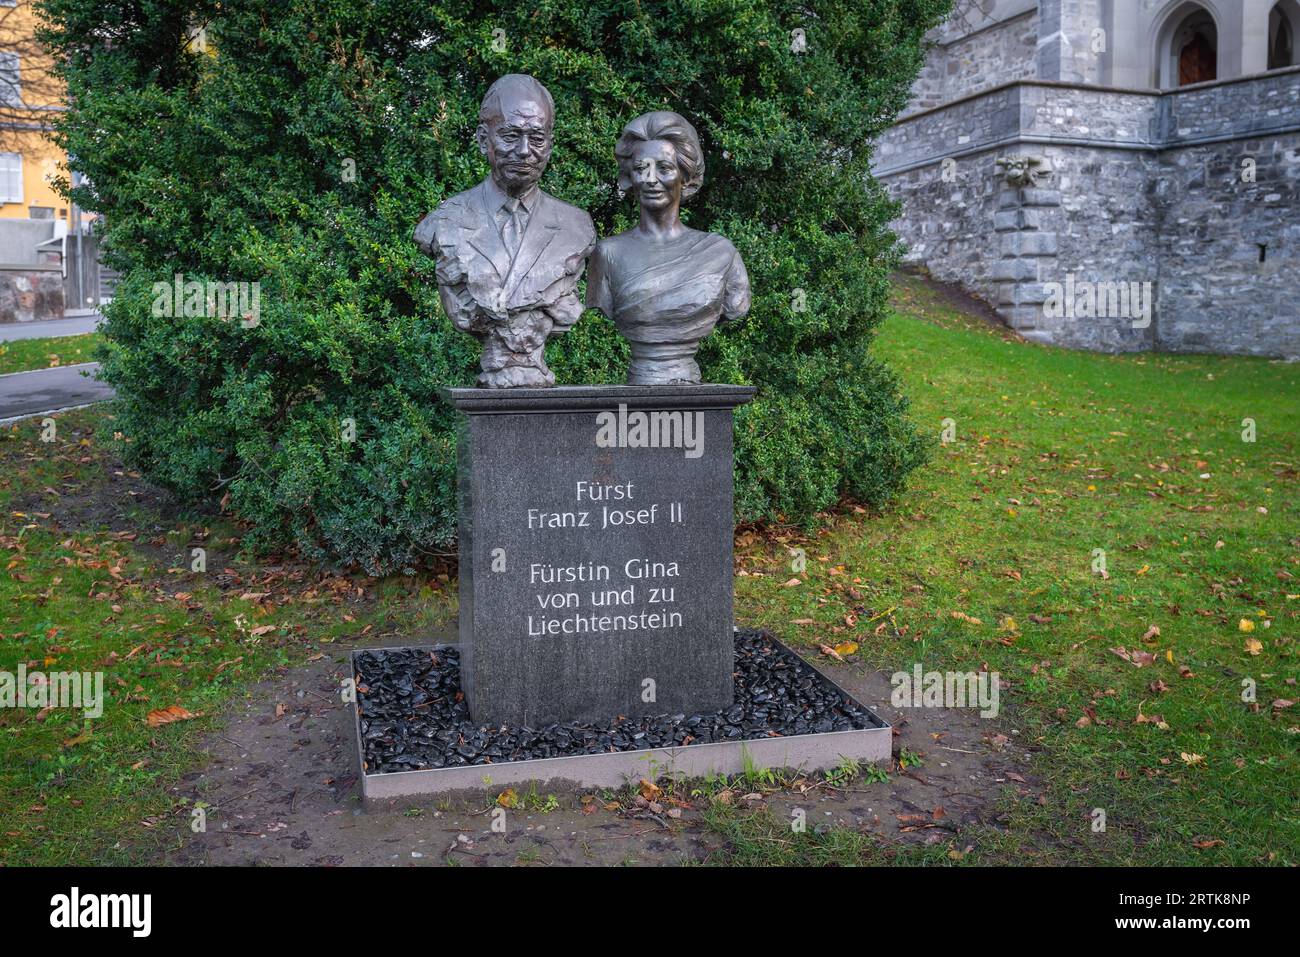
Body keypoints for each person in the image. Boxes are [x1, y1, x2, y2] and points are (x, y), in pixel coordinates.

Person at [414, 75, 595, 388]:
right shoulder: (444, 224)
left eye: (537, 138)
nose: (525, 151)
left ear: (550, 144)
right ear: (485, 139)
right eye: (511, 135)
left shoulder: (576, 226)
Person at [585, 110, 750, 385]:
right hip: (642, 374)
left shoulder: (720, 253)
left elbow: (735, 306)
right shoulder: (608, 253)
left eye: (664, 168)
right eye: (641, 169)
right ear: (630, 177)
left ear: (684, 175)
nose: (651, 179)